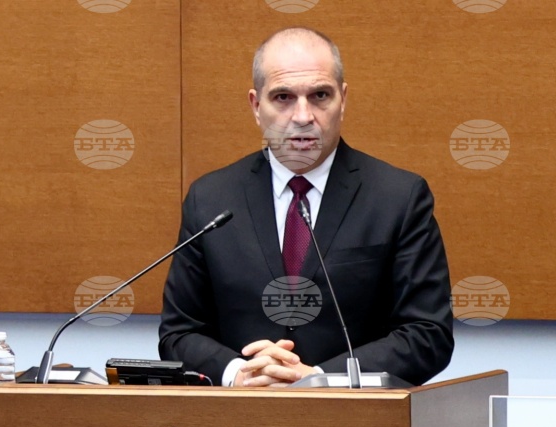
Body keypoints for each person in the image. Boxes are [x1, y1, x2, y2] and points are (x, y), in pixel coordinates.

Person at [159, 27, 454, 387]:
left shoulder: (399, 197)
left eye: (320, 96)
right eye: (283, 97)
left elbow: (428, 334)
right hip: (238, 412)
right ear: (256, 106)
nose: (303, 115)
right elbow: (179, 333)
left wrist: (320, 379)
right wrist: (239, 373)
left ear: (343, 100)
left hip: (356, 415)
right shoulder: (210, 198)